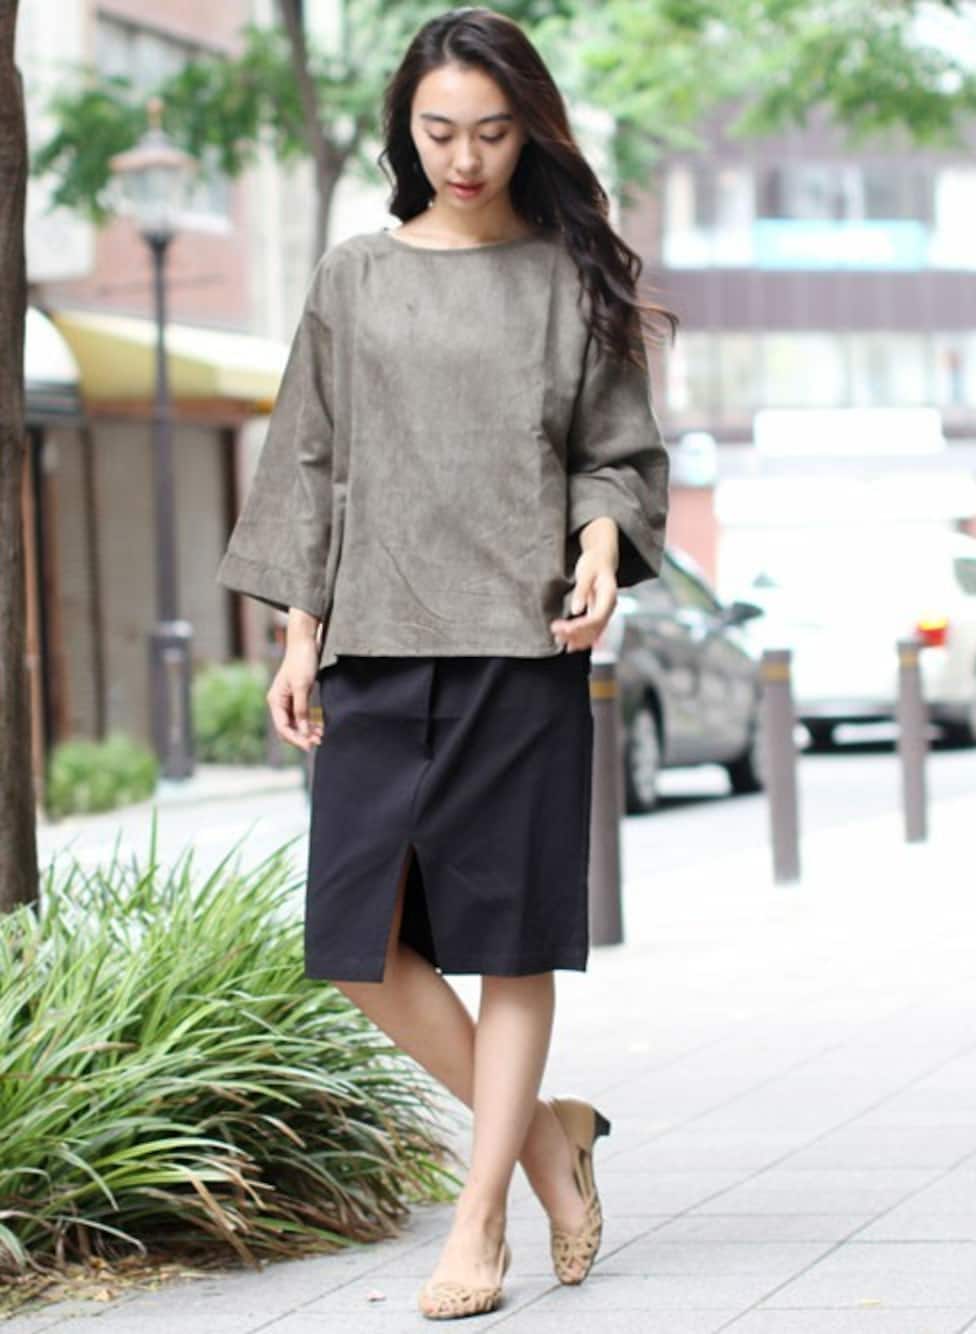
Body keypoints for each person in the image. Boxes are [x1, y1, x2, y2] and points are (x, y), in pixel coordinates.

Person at [216, 5, 674, 1320]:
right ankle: (545, 1141)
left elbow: (615, 452)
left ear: (530, 132)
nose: (465, 158)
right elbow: (309, 458)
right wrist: (298, 632)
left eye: (491, 131)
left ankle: (481, 1227)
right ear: (404, 133)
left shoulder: (567, 280)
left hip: (523, 643)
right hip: (374, 637)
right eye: (439, 132)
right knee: (357, 942)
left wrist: (601, 543)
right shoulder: (356, 276)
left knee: (508, 939)